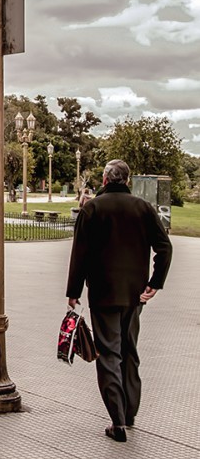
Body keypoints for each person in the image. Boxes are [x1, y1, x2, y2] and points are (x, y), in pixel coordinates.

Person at [65, 159, 172, 442]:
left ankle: (117, 420)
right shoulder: (143, 208)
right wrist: (154, 283)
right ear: (127, 180)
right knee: (129, 350)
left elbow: (80, 254)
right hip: (135, 294)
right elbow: (164, 247)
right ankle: (130, 412)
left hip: (103, 293)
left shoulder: (93, 208)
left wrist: (73, 290)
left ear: (104, 180)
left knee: (109, 353)